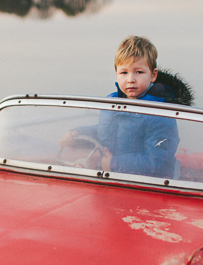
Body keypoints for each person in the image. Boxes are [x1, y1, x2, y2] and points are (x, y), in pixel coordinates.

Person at [61, 35, 192, 178]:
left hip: (150, 186)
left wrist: (115, 164)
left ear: (153, 75)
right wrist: (77, 135)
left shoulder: (161, 114)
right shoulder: (111, 103)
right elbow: (104, 132)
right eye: (124, 73)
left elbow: (157, 161)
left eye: (139, 72)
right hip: (112, 178)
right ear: (116, 74)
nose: (130, 80)